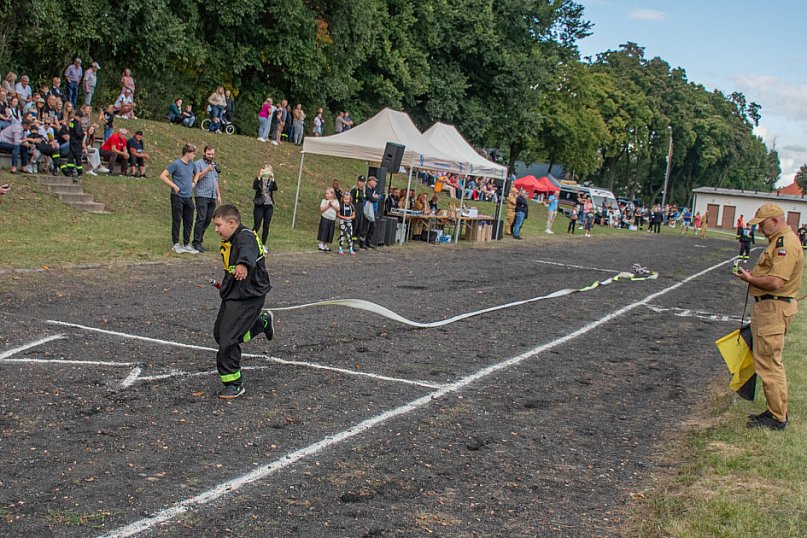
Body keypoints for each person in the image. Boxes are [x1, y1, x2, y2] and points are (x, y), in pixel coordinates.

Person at [734, 203, 804, 430]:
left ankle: (777, 417)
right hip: (769, 309)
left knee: (769, 363)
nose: (761, 229)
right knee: (766, 360)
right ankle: (775, 410)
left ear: (775, 221)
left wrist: (751, 279)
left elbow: (776, 282)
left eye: (763, 224)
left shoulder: (785, 244)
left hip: (773, 310)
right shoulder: (778, 242)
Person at [211, 204, 273, 399]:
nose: (216, 229)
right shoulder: (231, 236)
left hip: (249, 294)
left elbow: (248, 252)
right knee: (220, 334)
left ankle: (234, 383)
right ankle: (261, 323)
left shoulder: (245, 236)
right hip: (234, 290)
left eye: (219, 225)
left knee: (228, 338)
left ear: (231, 223)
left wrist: (243, 264)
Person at [160, 143, 198, 254]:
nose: (194, 156)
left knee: (189, 220)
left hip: (188, 197)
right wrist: (174, 186)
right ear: (187, 153)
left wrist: (194, 182)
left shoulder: (192, 165)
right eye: (193, 153)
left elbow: (197, 173)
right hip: (178, 196)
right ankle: (176, 243)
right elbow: (163, 175)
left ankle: (187, 243)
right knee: (177, 219)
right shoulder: (176, 164)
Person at [191, 145, 221, 252]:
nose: (211, 156)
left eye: (212, 154)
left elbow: (215, 180)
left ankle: (200, 240)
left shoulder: (214, 165)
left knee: (208, 219)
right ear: (204, 153)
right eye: (209, 154)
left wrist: (218, 195)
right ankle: (196, 242)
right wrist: (207, 170)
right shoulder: (198, 164)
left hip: (212, 195)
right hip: (201, 194)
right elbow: (196, 178)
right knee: (201, 218)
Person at [252, 164, 277, 253]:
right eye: (265, 170)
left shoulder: (270, 181)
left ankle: (263, 244)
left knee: (266, 226)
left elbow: (275, 188)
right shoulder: (259, 180)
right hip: (259, 205)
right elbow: (255, 187)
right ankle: (251, 242)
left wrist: (273, 179)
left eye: (268, 170)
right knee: (257, 225)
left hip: (269, 205)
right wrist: (259, 176)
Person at [359, 176, 380, 249]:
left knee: (372, 226)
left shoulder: (374, 190)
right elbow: (371, 198)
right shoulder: (365, 189)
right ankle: (362, 242)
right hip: (366, 210)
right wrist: (375, 198)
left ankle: (368, 242)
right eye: (375, 181)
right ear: (370, 181)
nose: (376, 183)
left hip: (372, 210)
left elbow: (378, 197)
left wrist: (375, 198)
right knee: (364, 227)